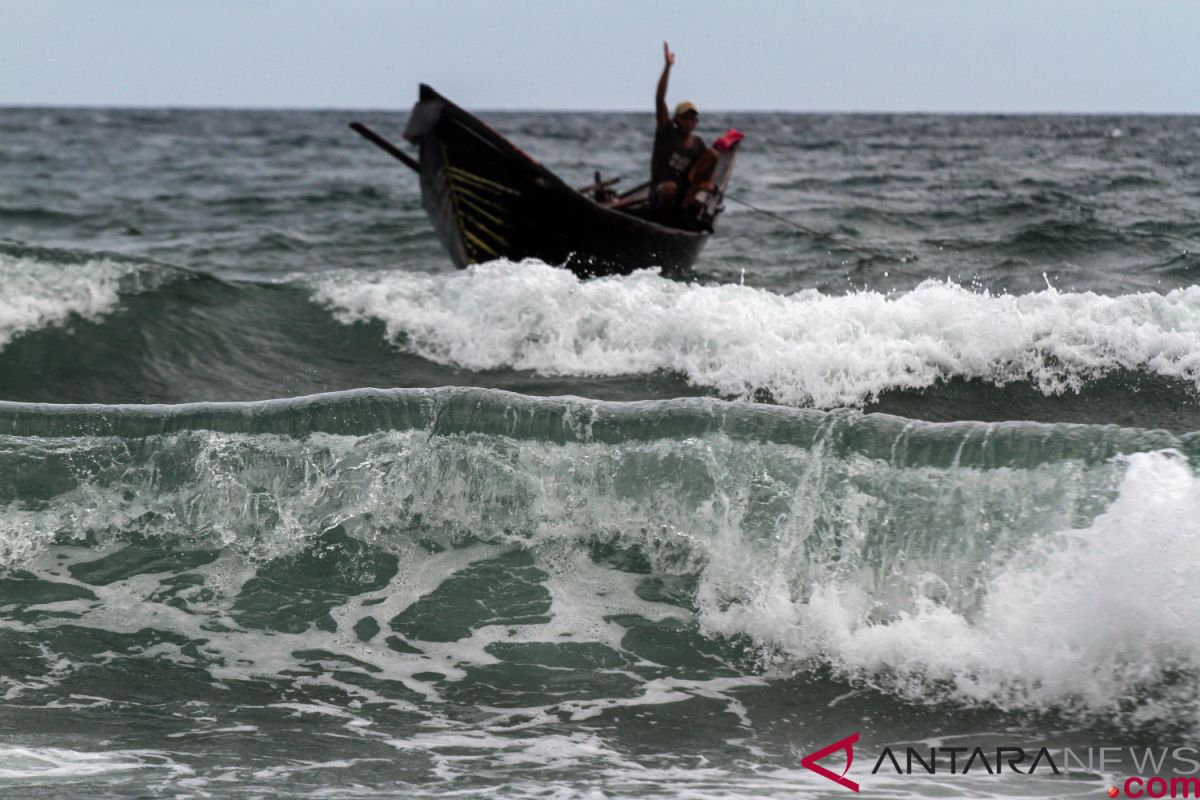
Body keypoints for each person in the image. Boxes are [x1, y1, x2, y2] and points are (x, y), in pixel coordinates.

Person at [651, 42, 718, 227]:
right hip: (661, 194)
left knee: (713, 154)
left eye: (692, 119)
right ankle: (662, 225)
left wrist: (709, 185)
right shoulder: (667, 133)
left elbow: (705, 169)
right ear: (676, 120)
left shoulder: (698, 144)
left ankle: (686, 210)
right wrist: (667, 67)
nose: (689, 122)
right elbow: (659, 99)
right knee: (669, 188)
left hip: (685, 193)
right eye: (685, 118)